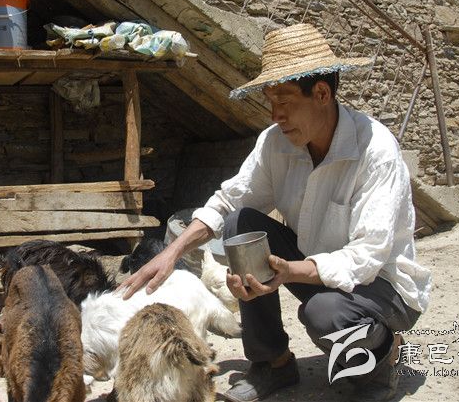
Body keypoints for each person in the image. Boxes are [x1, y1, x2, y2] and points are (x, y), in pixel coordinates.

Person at [119, 23, 432, 402]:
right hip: (316, 268)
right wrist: (171, 253)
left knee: (324, 314)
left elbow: (368, 256)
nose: (275, 115)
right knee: (241, 223)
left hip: (383, 287)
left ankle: (379, 366)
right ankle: (273, 363)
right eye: (271, 102)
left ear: (321, 94)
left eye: (284, 102)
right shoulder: (275, 143)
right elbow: (230, 201)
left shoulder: (375, 150)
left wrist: (288, 272)